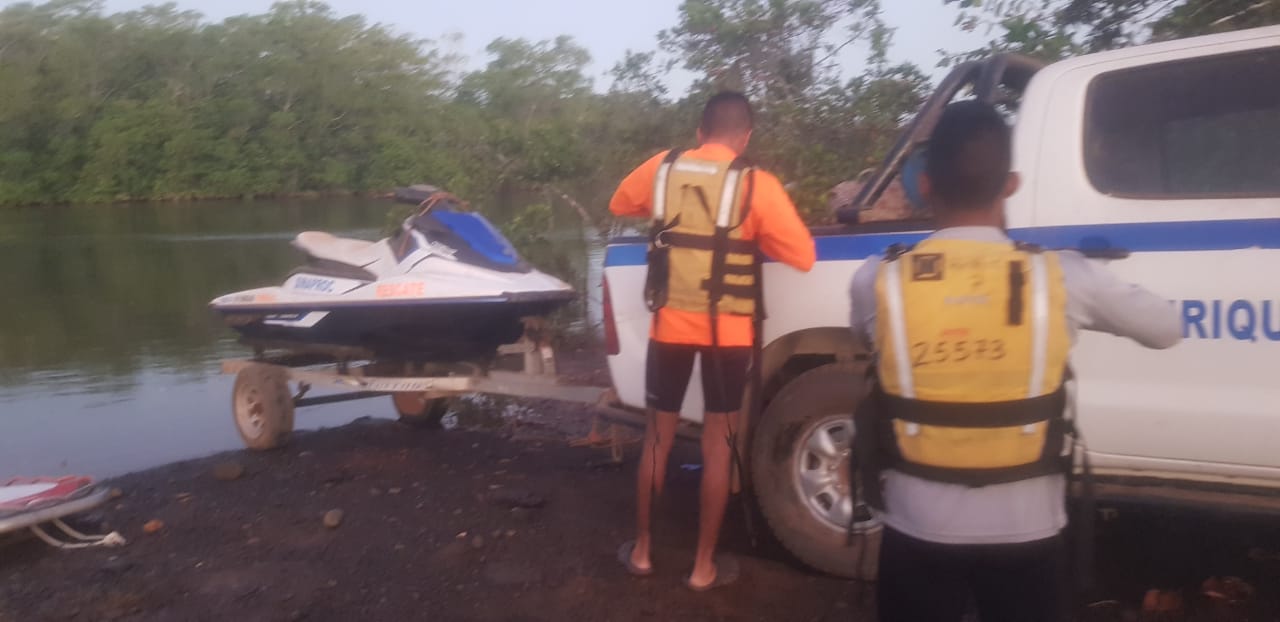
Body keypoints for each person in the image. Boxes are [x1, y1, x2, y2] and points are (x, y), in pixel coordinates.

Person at [848, 100, 1182, 622]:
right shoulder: (1062, 275)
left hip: (916, 525)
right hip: (1029, 529)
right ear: (1011, 184)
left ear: (926, 186)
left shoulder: (877, 280)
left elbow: (866, 343)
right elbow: (1168, 329)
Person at [609, 91, 816, 591]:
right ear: (745, 137)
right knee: (718, 445)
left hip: (669, 328)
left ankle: (642, 552)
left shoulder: (664, 167)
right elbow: (804, 256)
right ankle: (702, 567)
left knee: (657, 437)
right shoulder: (756, 184)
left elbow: (620, 202)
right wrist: (754, 233)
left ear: (700, 132)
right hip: (729, 333)